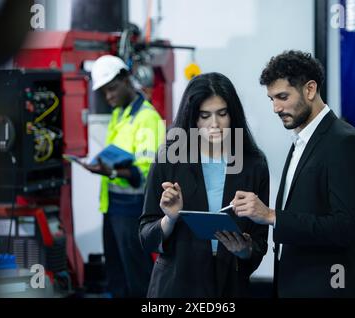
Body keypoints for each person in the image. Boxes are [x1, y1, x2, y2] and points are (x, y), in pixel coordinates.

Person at [231, 50, 355, 297]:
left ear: (310, 89)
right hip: (293, 285)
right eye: (271, 99)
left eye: (282, 97)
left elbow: (346, 227)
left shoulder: (344, 142)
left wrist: (272, 216)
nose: (275, 108)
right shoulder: (301, 141)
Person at [139, 72, 270, 298]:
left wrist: (245, 250)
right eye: (204, 116)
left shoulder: (253, 164)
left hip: (229, 283)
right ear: (192, 118)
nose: (214, 124)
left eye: (222, 113)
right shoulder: (169, 159)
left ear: (233, 115)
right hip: (177, 285)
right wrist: (170, 218)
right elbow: (146, 236)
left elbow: (259, 241)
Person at [84, 55, 165, 297]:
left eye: (111, 89)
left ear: (126, 79)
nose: (108, 97)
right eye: (104, 93)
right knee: (116, 274)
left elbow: (146, 173)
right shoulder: (120, 115)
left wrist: (110, 171)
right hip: (112, 206)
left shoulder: (147, 118)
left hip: (133, 209)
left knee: (137, 276)